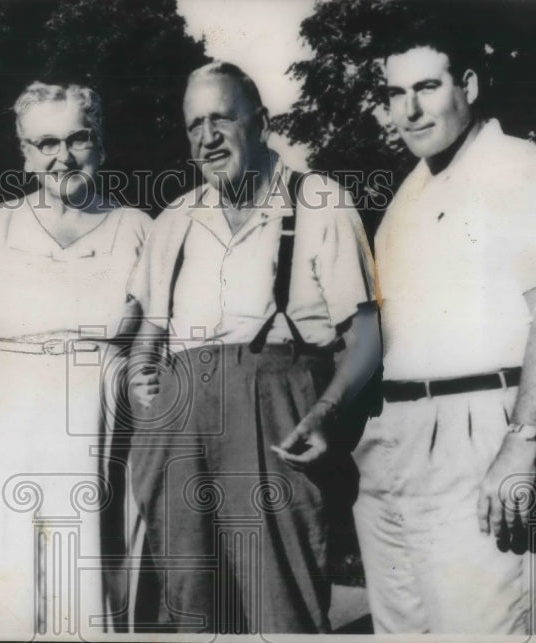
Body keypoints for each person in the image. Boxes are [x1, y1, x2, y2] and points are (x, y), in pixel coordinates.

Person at [125, 61, 380, 633]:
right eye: (194, 125)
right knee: (191, 602)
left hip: (271, 411)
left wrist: (324, 413)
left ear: (260, 122)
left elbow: (366, 338)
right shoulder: (174, 219)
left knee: (278, 601)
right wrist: (145, 387)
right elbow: (149, 334)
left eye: (221, 118)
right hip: (178, 421)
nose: (206, 137)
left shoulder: (319, 200)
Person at [352, 25, 536, 634]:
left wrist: (521, 442)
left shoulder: (520, 168)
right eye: (396, 93)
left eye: (427, 86)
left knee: (485, 625)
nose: (411, 108)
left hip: (481, 430)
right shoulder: (406, 193)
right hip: (393, 441)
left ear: (469, 85)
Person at [0, 81, 152, 638]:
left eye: (78, 139)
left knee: (88, 576)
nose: (63, 156)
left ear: (99, 145)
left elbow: (157, 344)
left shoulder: (139, 229)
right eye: (46, 143)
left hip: (98, 432)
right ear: (26, 155)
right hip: (3, 427)